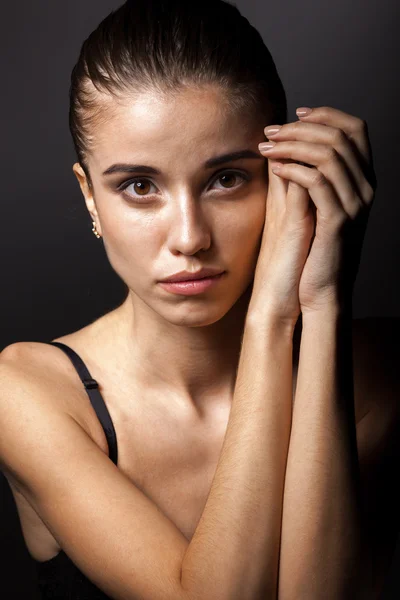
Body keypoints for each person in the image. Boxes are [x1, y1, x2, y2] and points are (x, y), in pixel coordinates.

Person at [0, 0, 398, 598]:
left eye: (227, 178)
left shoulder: (381, 376)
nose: (189, 237)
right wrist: (274, 311)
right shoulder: (26, 392)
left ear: (284, 177)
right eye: (139, 186)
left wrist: (319, 305)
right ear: (90, 198)